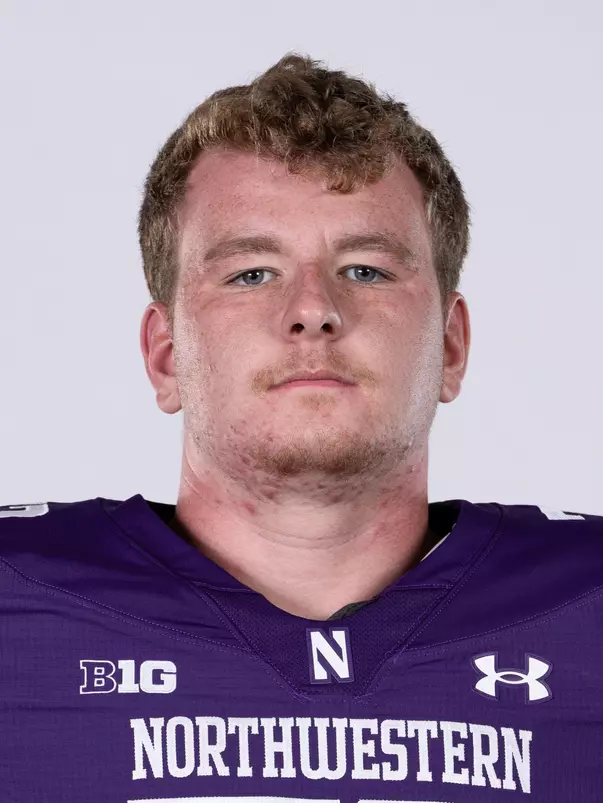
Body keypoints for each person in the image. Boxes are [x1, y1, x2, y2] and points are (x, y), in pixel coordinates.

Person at [0, 53, 601, 803]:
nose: (313, 309)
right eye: (251, 273)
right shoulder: (18, 605)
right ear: (166, 354)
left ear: (450, 347)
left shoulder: (585, 605)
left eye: (366, 269)